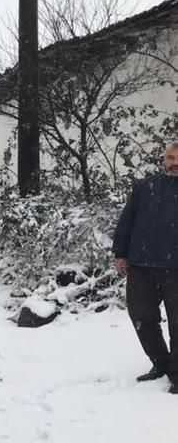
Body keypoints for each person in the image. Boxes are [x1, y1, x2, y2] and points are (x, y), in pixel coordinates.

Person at [113, 141, 178, 394]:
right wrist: (121, 253)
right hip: (141, 266)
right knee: (141, 318)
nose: (174, 162)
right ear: (164, 160)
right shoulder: (145, 187)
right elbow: (126, 220)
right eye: (170, 157)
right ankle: (160, 363)